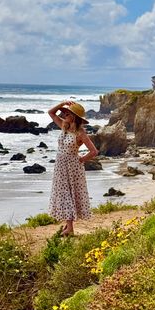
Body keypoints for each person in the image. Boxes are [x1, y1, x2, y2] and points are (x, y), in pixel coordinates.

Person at [48, 101, 98, 236]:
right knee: (63, 194)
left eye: (67, 113)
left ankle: (69, 228)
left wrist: (81, 160)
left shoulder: (80, 133)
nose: (64, 114)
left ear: (74, 117)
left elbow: (94, 151)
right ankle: (68, 226)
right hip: (60, 165)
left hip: (72, 167)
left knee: (68, 194)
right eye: (64, 112)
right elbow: (51, 113)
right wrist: (62, 104)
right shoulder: (64, 127)